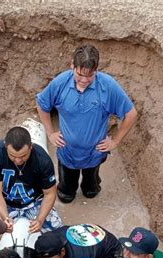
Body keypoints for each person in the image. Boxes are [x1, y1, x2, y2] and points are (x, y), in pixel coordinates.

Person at [36, 44, 137, 203]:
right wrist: (50, 133)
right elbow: (42, 104)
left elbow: (131, 114)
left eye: (90, 75)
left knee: (91, 190)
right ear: (72, 66)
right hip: (67, 152)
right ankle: (67, 190)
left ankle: (90, 188)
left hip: (94, 153)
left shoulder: (107, 86)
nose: (84, 80)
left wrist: (115, 142)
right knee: (66, 194)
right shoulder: (61, 83)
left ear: (96, 69)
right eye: (79, 74)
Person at [0, 126, 62, 233]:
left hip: (35, 202)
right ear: (6, 146)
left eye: (23, 156)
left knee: (57, 233)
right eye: (12, 156)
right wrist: (5, 218)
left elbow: (50, 194)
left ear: (31, 147)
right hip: (6, 203)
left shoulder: (42, 160)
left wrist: (40, 219)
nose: (17, 160)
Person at [34, 223, 122, 258]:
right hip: (95, 231)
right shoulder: (56, 234)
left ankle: (117, 256)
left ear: (63, 251)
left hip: (112, 248)